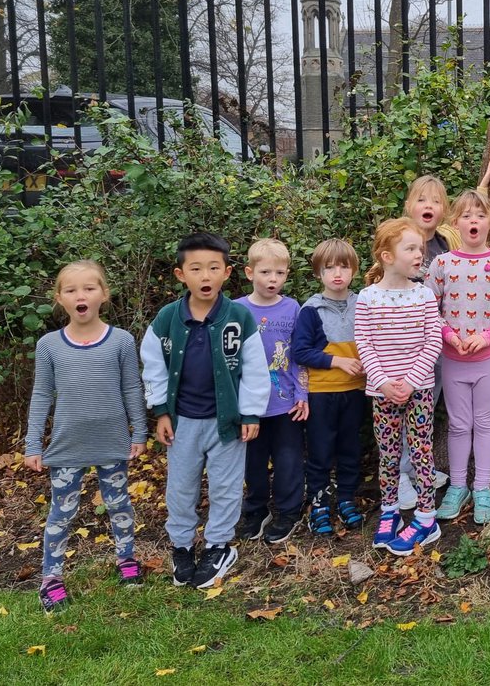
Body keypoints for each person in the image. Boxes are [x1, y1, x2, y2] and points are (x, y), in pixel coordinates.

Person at [142, 233, 271, 589]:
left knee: (226, 487)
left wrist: (249, 414)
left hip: (226, 423)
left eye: (214, 268)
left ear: (227, 273)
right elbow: (152, 365)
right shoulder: (167, 318)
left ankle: (218, 546)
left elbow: (256, 370)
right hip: (182, 422)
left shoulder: (239, 317)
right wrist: (161, 412)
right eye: (196, 268)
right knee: (180, 488)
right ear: (181, 274)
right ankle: (182, 545)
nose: (205, 276)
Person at [25, 260, 147, 613]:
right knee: (61, 512)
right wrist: (34, 444)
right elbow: (41, 395)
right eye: (72, 290)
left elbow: (131, 388)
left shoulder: (121, 341)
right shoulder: (49, 345)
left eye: (89, 288)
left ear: (103, 295)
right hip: (67, 445)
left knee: (119, 504)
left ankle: (126, 561)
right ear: (59, 298)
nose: (81, 295)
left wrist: (139, 431)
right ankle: (51, 578)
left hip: (112, 442)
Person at [428, 190, 490, 525]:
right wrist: (450, 336)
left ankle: (481, 486)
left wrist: (488, 335)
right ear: (455, 223)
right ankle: (458, 486)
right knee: (458, 424)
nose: (474, 221)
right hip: (453, 360)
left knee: (484, 422)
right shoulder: (442, 264)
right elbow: (429, 307)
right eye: (467, 215)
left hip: (489, 359)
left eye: (480, 215)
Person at [354, 218, 445, 555]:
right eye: (410, 248)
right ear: (387, 256)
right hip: (383, 393)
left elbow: (433, 342)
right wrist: (383, 382)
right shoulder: (367, 298)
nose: (419, 254)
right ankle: (390, 511)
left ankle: (426, 517)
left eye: (420, 248)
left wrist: (409, 381)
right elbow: (364, 344)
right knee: (389, 455)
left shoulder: (423, 295)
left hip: (418, 390)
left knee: (421, 451)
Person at [289, 238, 366, 538]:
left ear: (354, 271)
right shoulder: (311, 309)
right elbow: (300, 351)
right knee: (320, 449)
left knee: (350, 447)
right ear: (318, 274)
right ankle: (318, 503)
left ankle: (346, 497)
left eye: (344, 267)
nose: (337, 274)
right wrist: (336, 361)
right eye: (329, 268)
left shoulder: (363, 303)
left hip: (355, 391)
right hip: (321, 393)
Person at [235, 238, 308, 546]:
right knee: (252, 460)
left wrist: (303, 394)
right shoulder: (236, 310)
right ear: (250, 272)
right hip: (249, 405)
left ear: (287, 275)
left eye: (279, 273)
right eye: (265, 272)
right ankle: (255, 510)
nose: (272, 279)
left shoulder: (294, 308)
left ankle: (289, 511)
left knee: (288, 458)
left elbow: (299, 356)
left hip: (285, 403)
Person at [397, 175, 460, 509]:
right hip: (404, 343)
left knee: (424, 407)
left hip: (435, 343)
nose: (429, 206)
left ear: (444, 210)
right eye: (422, 199)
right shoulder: (400, 240)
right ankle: (400, 474)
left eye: (436, 201)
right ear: (410, 205)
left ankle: (417, 466)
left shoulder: (444, 245)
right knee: (401, 407)